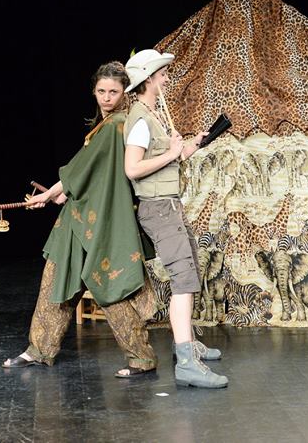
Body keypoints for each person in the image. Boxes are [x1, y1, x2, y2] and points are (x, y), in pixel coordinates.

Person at [2, 61, 158, 378]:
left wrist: (49, 194)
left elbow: (81, 171)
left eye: (113, 92)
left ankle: (141, 357)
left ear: (125, 93)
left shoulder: (116, 126)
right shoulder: (106, 125)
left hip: (101, 221)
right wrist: (61, 194)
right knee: (56, 281)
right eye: (101, 91)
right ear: (94, 91)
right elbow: (88, 175)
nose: (106, 97)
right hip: (78, 218)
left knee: (109, 286)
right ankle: (39, 349)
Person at [122, 49, 227, 389]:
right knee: (184, 281)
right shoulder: (140, 119)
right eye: (162, 74)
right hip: (158, 209)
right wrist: (170, 152)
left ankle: (188, 343)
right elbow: (132, 168)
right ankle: (186, 364)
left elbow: (169, 159)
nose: (166, 79)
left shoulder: (153, 115)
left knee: (189, 273)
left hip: (169, 206)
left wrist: (191, 146)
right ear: (149, 78)